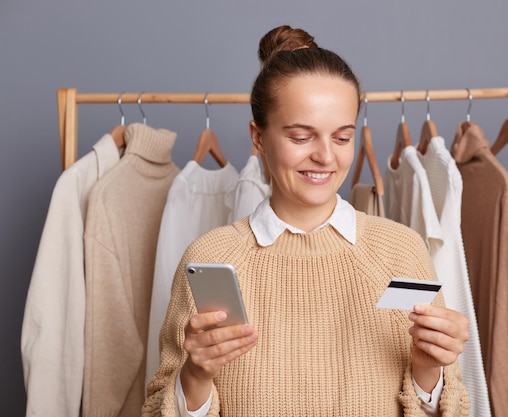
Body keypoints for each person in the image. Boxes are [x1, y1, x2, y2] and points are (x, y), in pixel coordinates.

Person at [143, 25, 470, 417]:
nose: (325, 157)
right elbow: (156, 407)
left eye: (342, 137)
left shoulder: (400, 251)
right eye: (301, 137)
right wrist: (195, 376)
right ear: (259, 138)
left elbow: (446, 410)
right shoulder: (212, 257)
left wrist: (428, 368)